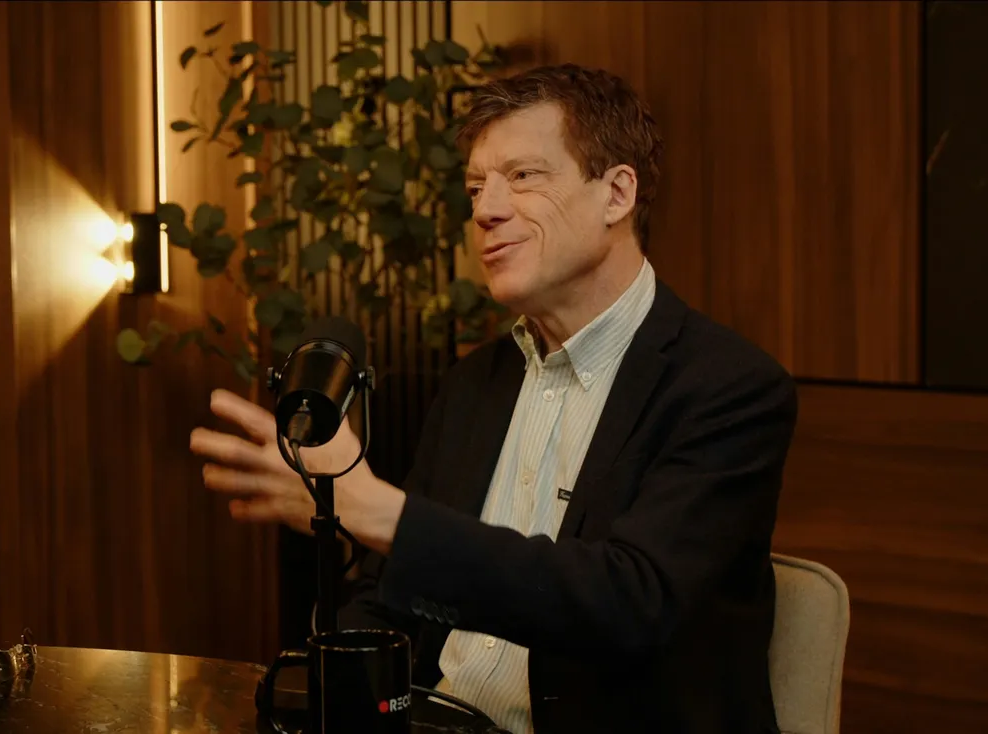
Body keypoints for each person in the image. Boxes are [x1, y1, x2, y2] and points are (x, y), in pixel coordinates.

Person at [190, 63, 798, 734]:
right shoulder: (475, 382)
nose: (485, 209)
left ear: (617, 193)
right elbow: (387, 594)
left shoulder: (727, 387)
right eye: (476, 186)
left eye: (524, 176)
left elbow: (632, 603)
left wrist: (370, 504)